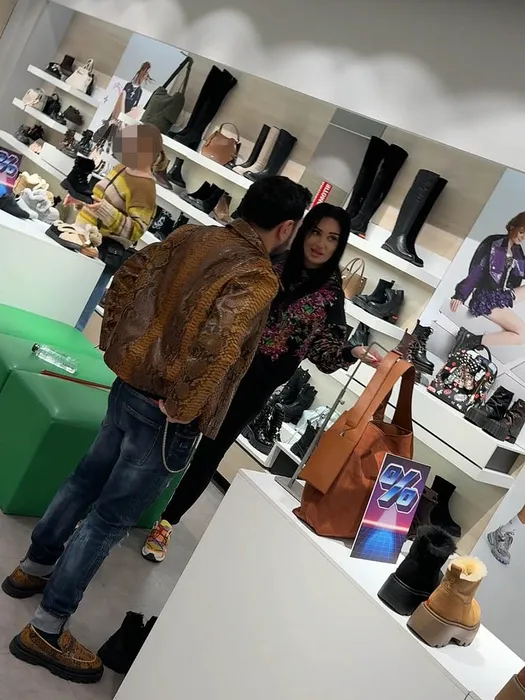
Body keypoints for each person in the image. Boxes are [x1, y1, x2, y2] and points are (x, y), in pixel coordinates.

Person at [3, 175, 312, 684]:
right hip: (166, 411)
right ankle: (46, 629)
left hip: (131, 385)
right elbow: (219, 342)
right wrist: (186, 405)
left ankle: (32, 568)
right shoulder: (256, 275)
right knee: (108, 519)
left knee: (84, 482)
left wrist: (118, 347)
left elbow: (128, 274)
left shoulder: (193, 235)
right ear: (286, 228)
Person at [142, 203, 381, 563]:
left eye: (332, 238)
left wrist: (352, 352)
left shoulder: (330, 293)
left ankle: (166, 522)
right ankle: (137, 501)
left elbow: (324, 351)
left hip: (255, 384)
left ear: (340, 245)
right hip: (215, 364)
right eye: (316, 232)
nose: (321, 244)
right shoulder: (272, 260)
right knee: (171, 429)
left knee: (210, 451)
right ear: (303, 230)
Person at [75, 123, 163, 331]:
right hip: (82, 240)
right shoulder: (122, 168)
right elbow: (101, 198)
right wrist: (82, 201)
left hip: (101, 250)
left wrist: (103, 210)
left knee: (77, 312)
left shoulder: (145, 186)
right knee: (63, 301)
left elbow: (136, 230)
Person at [450, 213, 525, 348]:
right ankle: (469, 340)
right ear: (512, 227)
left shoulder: (517, 250)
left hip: (501, 295)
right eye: (521, 232)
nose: (523, 237)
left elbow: (522, 272)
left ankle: (470, 340)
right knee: (522, 334)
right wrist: (460, 295)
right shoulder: (495, 243)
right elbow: (478, 270)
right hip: (486, 297)